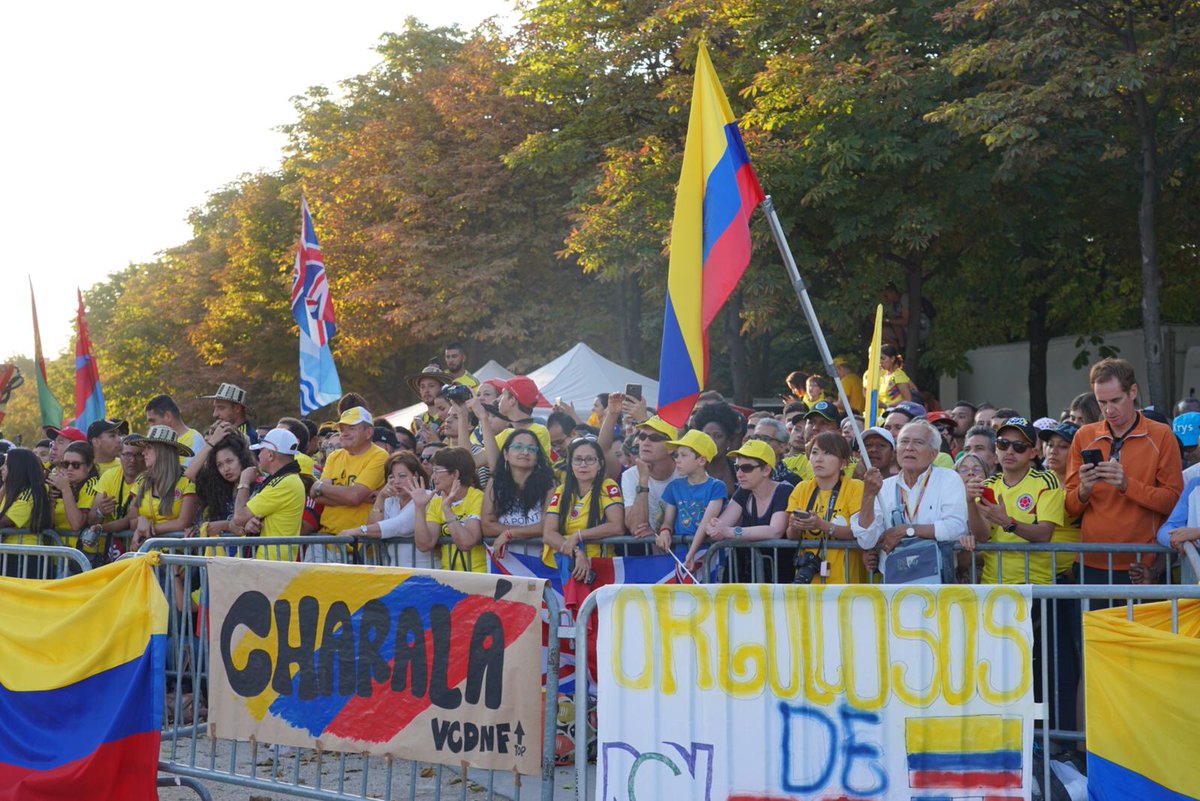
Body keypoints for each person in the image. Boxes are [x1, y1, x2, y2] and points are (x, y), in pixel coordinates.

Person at [1065, 358, 1183, 585]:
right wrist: (1084, 490)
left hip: (1142, 565)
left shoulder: (1161, 435)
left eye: (1116, 400)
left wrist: (1127, 485)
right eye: (1101, 402)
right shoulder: (1084, 436)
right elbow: (1070, 508)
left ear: (1133, 392)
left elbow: (1172, 501)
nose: (1108, 410)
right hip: (1090, 563)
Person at [852, 420, 973, 575]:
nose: (909, 448)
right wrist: (868, 495)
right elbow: (866, 539)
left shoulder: (949, 479)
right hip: (894, 580)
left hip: (937, 578)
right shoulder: (885, 486)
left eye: (918, 442)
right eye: (904, 442)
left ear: (934, 453)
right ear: (897, 451)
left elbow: (955, 528)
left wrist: (908, 530)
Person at [967, 418, 1065, 585]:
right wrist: (969, 502)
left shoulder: (1046, 480)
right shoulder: (988, 485)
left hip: (1034, 585)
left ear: (1033, 453)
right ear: (996, 451)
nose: (1010, 451)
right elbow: (983, 535)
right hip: (992, 583)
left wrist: (1008, 523)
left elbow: (1044, 534)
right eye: (1003, 444)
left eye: (1019, 446)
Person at [689, 440, 792, 580]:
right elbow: (721, 527)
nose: (739, 474)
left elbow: (775, 530)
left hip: (779, 578)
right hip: (745, 574)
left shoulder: (784, 490)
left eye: (747, 468)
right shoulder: (744, 491)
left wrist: (731, 531)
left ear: (767, 470)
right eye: (737, 467)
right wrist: (714, 526)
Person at [786, 432, 867, 584]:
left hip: (846, 581)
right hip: (809, 580)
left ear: (843, 463)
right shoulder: (802, 488)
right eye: (815, 452)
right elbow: (791, 536)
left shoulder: (855, 487)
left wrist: (821, 525)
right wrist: (795, 525)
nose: (819, 459)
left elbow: (860, 533)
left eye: (828, 453)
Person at [542, 438, 625, 580]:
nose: (583, 465)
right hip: (566, 564)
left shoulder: (607, 486)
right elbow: (548, 533)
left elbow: (617, 526)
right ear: (571, 465)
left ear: (600, 464)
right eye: (578, 460)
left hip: (601, 565)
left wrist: (578, 536)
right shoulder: (562, 491)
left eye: (590, 460)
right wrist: (576, 551)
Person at [311, 406, 388, 555]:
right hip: (327, 540)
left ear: (369, 432)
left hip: (360, 544)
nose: (344, 433)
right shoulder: (334, 456)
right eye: (342, 429)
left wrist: (320, 486)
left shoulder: (380, 456)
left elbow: (353, 496)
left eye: (351, 428)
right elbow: (318, 498)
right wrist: (356, 497)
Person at [348, 451, 432, 567]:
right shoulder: (391, 500)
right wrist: (381, 498)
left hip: (425, 574)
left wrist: (357, 531)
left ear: (415, 476)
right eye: (391, 477)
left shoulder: (426, 496)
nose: (396, 481)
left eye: (402, 476)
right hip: (397, 574)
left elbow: (398, 525)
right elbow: (373, 526)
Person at [484, 429, 559, 559]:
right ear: (506, 454)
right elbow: (487, 526)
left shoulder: (549, 484)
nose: (525, 452)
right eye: (518, 447)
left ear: (537, 458)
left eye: (531, 449)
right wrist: (527, 531)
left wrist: (510, 533)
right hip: (504, 562)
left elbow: (548, 526)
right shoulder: (495, 482)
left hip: (541, 561)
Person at [233, 428, 306, 560]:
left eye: (261, 450)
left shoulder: (285, 483)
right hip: (269, 563)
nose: (258, 455)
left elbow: (239, 517)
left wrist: (244, 482)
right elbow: (245, 519)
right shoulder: (285, 479)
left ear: (270, 455)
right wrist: (249, 524)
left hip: (271, 565)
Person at [411, 446, 486, 572]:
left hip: (479, 576)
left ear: (455, 474)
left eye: (437, 471)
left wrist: (447, 509)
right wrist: (419, 507)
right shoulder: (436, 502)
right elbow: (424, 544)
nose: (433, 477)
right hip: (450, 577)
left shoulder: (477, 498)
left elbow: (466, 542)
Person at [657, 430, 727, 555]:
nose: (677, 460)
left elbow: (705, 523)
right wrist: (665, 531)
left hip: (710, 553)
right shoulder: (674, 487)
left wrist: (691, 553)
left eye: (684, 455)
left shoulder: (716, 486)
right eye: (677, 455)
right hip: (682, 552)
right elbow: (668, 521)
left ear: (701, 461)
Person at [128, 426, 198, 548]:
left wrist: (149, 529)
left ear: (163, 451)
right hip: (146, 556)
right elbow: (131, 521)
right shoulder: (140, 481)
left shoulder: (187, 480)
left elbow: (183, 522)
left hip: (179, 558)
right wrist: (141, 520)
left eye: (149, 447)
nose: (143, 452)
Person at [619, 415, 680, 538]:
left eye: (654, 438)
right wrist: (643, 480)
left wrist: (660, 535)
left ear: (671, 448)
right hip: (652, 555)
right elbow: (636, 527)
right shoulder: (630, 475)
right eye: (642, 437)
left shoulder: (685, 473)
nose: (645, 443)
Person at [191, 432, 255, 541]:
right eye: (219, 465)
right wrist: (211, 443)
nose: (226, 469)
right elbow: (190, 473)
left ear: (241, 458)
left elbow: (246, 524)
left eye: (229, 461)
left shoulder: (258, 485)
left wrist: (225, 525)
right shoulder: (219, 488)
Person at [88, 434, 147, 548]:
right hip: (114, 549)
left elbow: (129, 520)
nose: (133, 460)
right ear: (120, 455)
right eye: (128, 454)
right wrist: (100, 512)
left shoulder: (148, 478)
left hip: (141, 549)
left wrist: (102, 528)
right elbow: (92, 518)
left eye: (138, 455)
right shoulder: (109, 475)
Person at [0, 448, 53, 552]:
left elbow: (4, 521)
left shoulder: (29, 493)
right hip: (11, 551)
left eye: (6, 464)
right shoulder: (13, 491)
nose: (2, 468)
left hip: (26, 554)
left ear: (17, 468)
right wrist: (5, 486)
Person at [48, 441, 99, 547]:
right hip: (58, 554)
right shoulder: (61, 484)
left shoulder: (92, 484)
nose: (69, 468)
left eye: (76, 465)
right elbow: (49, 525)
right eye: (66, 464)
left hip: (82, 555)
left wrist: (65, 489)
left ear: (89, 466)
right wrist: (51, 503)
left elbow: (77, 524)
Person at [691, 402, 743, 496]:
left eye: (718, 436)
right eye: (706, 436)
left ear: (728, 441)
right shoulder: (690, 470)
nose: (711, 441)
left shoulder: (739, 470)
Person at [145, 394, 205, 466]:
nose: (151, 427)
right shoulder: (157, 443)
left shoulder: (195, 439)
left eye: (153, 421)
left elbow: (189, 474)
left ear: (167, 416)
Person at [751, 417, 806, 486]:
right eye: (755, 437)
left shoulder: (792, 482)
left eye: (765, 439)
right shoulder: (745, 473)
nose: (758, 442)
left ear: (782, 447)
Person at [405, 363, 453, 437]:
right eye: (422, 387)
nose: (426, 390)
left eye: (431, 386)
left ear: (442, 388)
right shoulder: (416, 423)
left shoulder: (452, 417)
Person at [876, 344, 913, 409]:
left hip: (896, 414)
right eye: (879, 359)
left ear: (892, 359)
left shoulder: (898, 375)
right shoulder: (883, 376)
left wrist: (886, 406)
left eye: (883, 359)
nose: (880, 362)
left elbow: (908, 400)